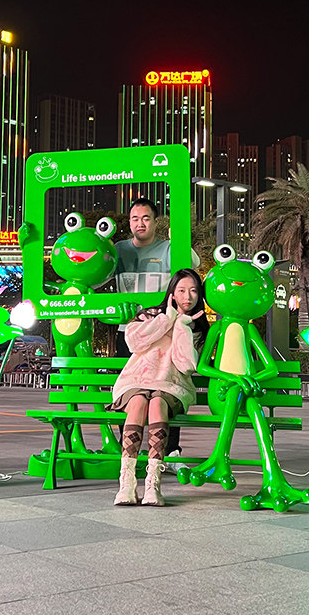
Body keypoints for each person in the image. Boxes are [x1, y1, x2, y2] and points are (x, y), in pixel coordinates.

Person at [109, 269, 209, 506]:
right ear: (172, 292)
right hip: (136, 381)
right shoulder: (150, 315)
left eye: (193, 291)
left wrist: (182, 326)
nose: (187, 297)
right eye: (182, 290)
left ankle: (153, 483)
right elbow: (134, 343)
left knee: (157, 404)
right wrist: (166, 319)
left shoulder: (197, 328)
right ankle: (127, 483)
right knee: (138, 402)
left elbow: (186, 365)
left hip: (172, 386)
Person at [115, 197, 200, 469]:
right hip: (131, 331)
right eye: (135, 218)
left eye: (146, 218)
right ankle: (130, 453)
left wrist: (180, 238)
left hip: (168, 333)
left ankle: (170, 452)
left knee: (168, 386)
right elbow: (94, 273)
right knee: (132, 392)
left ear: (155, 221)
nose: (140, 223)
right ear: (129, 222)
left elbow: (193, 263)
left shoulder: (168, 248)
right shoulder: (118, 250)